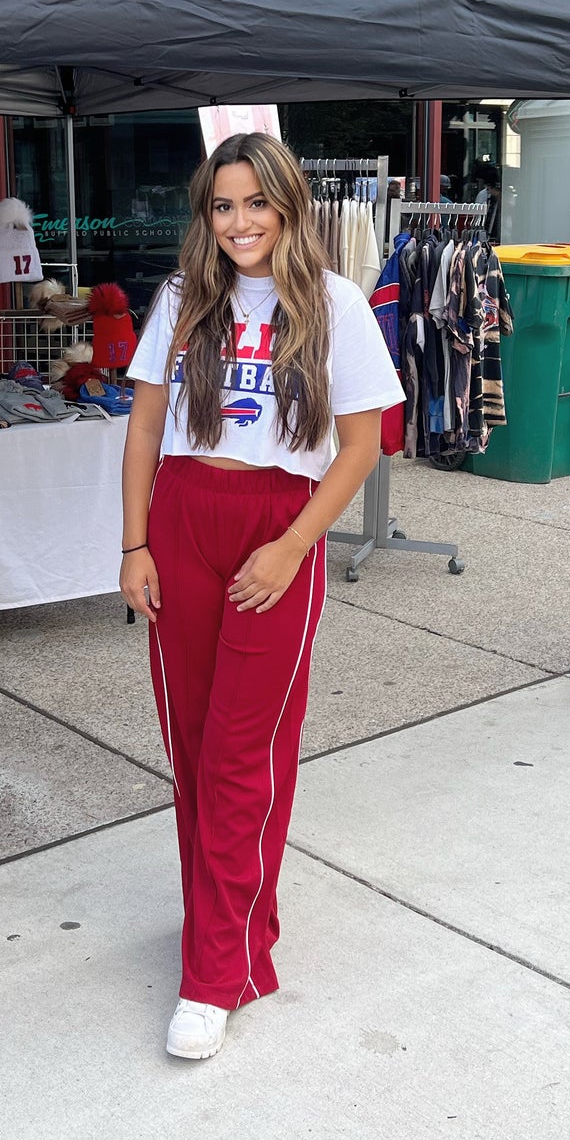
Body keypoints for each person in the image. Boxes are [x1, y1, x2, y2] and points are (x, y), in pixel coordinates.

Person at [121, 133, 402, 1061]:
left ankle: (216, 973)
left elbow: (359, 445)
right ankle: (224, 919)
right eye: (221, 205)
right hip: (184, 516)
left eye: (255, 203)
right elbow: (145, 430)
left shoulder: (334, 304)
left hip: (277, 520)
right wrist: (135, 544)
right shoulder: (180, 300)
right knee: (194, 745)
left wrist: (290, 546)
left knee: (246, 748)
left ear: (287, 205)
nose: (239, 222)